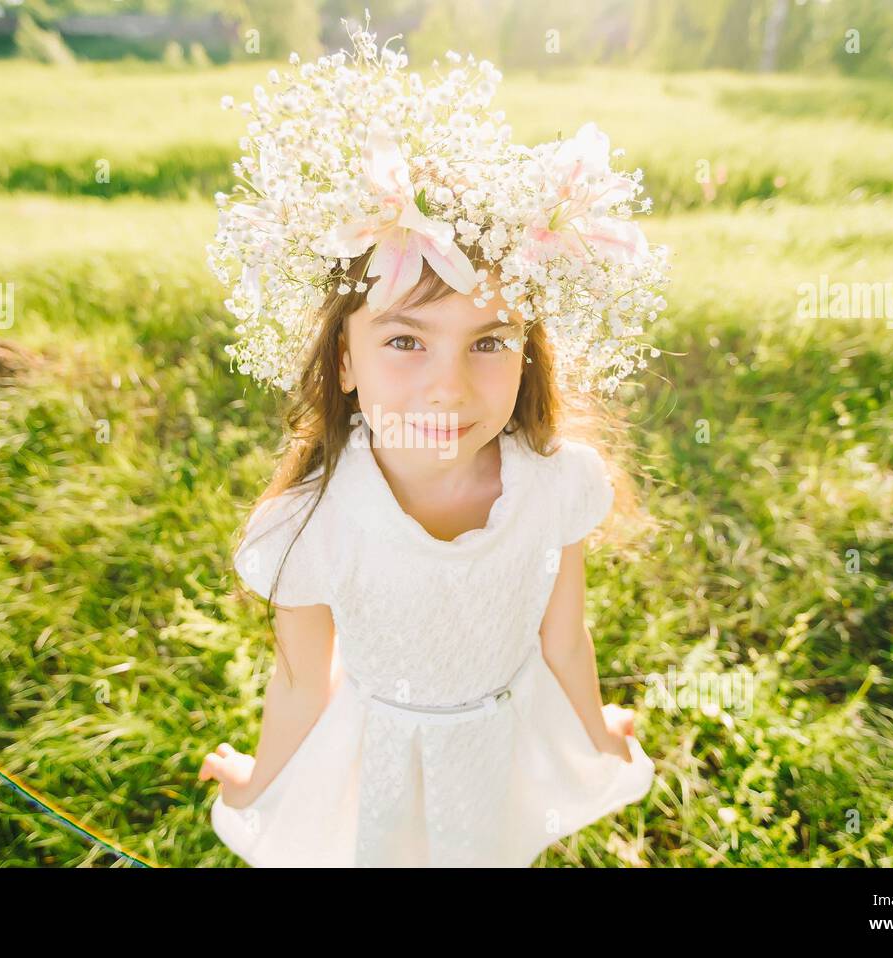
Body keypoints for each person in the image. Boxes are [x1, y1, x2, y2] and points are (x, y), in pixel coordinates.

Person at [198, 15, 671, 867]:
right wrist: (258, 779)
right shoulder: (308, 526)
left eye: (488, 342)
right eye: (406, 341)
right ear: (346, 360)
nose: (448, 388)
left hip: (499, 741)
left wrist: (597, 729)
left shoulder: (554, 485)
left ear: (528, 357)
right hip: (380, 753)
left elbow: (564, 637)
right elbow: (307, 679)